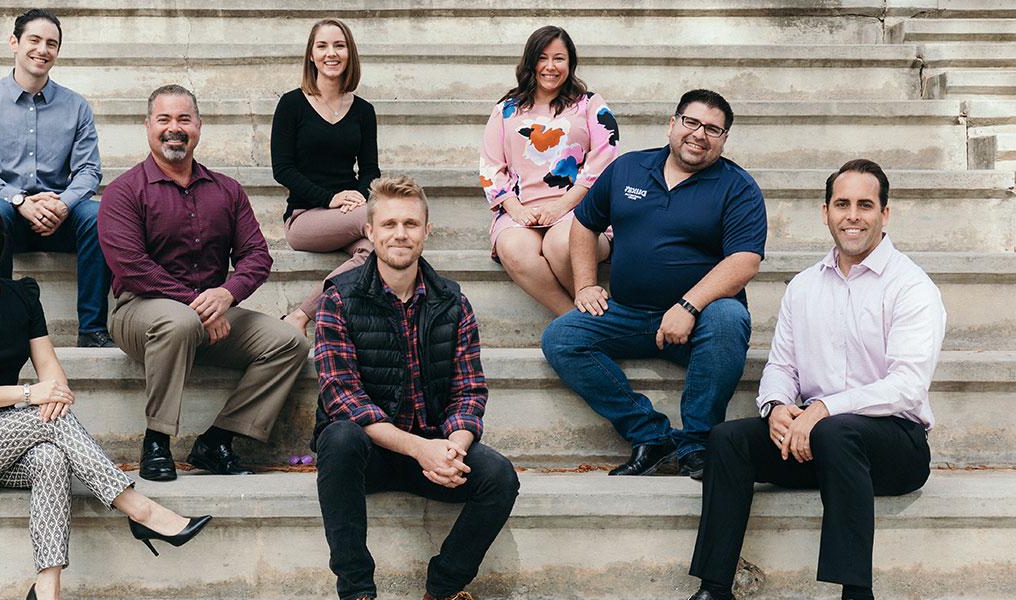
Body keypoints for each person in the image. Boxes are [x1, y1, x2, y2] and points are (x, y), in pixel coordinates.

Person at [0, 194, 211, 600]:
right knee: (45, 418)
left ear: (0, 240)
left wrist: (54, 390)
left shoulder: (21, 296)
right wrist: (33, 393)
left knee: (51, 457)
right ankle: (140, 510)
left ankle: (48, 588)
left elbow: (49, 365)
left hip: (4, 437)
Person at [686, 160, 945, 600]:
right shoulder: (804, 286)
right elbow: (781, 367)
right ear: (824, 211)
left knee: (838, 430)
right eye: (842, 204)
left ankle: (856, 592)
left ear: (886, 214)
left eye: (866, 205)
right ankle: (714, 589)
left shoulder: (911, 286)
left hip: (894, 447)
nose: (853, 215)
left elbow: (906, 386)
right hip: (816, 441)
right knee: (728, 438)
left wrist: (823, 409)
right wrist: (777, 409)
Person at [312, 175, 520, 600]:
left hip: (431, 455)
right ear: (370, 232)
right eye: (388, 224)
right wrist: (418, 447)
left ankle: (441, 590)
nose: (400, 234)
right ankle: (357, 591)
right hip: (368, 454)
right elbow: (342, 396)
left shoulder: (453, 301)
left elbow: (469, 392)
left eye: (410, 224)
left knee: (499, 476)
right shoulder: (339, 298)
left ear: (427, 231)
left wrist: (452, 448)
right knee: (339, 438)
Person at [541, 89, 767, 480]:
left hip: (699, 322)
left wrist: (689, 306)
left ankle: (698, 444)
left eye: (713, 129)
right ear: (672, 123)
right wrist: (584, 286)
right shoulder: (629, 168)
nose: (699, 134)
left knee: (730, 318)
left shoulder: (737, 186)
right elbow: (584, 223)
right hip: (627, 313)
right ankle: (651, 436)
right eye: (691, 122)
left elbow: (744, 260)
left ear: (724, 139)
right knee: (561, 339)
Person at [98, 84, 309, 482]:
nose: (173, 128)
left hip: (211, 313)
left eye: (183, 119)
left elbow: (257, 256)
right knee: (179, 321)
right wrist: (199, 304)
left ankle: (218, 441)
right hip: (139, 311)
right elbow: (132, 266)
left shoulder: (226, 190)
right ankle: (157, 441)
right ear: (147, 126)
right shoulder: (124, 191)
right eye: (164, 119)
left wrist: (227, 294)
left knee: (290, 341)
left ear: (199, 126)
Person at [0, 8, 112, 348]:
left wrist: (63, 204)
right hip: (9, 216)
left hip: (61, 214)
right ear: (14, 42)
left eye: (52, 44)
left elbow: (88, 171)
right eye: (35, 40)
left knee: (101, 215)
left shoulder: (76, 106)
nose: (43, 49)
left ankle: (92, 329)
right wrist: (21, 201)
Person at [479, 25, 621, 315]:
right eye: (542, 58)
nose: (550, 67)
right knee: (514, 249)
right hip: (522, 211)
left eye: (559, 58)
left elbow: (606, 156)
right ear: (530, 62)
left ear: (570, 63)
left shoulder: (590, 104)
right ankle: (575, 319)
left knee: (561, 244)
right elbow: (491, 165)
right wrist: (515, 208)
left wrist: (563, 205)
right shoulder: (506, 109)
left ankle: (592, 318)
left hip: (578, 208)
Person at [272, 18, 380, 335]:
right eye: (322, 46)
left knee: (378, 250)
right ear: (311, 55)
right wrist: (330, 199)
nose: (331, 53)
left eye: (339, 45)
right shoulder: (291, 104)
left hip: (350, 211)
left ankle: (301, 316)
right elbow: (283, 168)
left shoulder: (363, 110)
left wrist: (360, 194)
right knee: (386, 224)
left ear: (350, 54)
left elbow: (371, 169)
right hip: (306, 216)